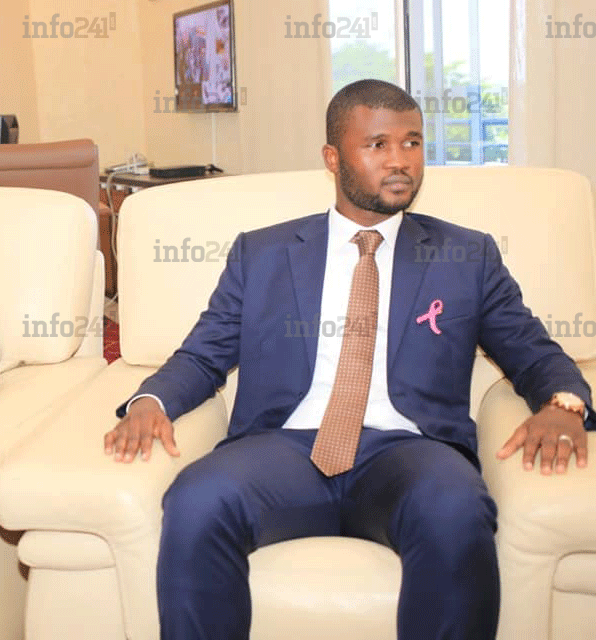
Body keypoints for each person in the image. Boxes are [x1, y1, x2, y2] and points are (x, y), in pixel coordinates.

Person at [104, 79, 593, 640]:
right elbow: (203, 354)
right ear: (333, 158)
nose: (400, 161)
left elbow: (532, 351)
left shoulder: (466, 255)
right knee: (197, 499)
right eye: (378, 145)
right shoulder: (261, 253)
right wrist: (151, 401)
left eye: (412, 143)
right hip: (284, 449)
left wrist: (563, 403)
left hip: (411, 453)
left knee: (455, 508)